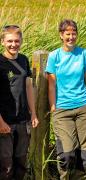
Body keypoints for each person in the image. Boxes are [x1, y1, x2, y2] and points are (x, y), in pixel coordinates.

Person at [45, 19, 86, 180]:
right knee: (67, 153)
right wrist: (53, 107)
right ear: (61, 35)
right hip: (62, 109)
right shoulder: (54, 56)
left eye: (74, 33)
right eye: (68, 34)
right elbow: (51, 85)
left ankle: (80, 177)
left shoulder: (84, 54)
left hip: (83, 107)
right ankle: (65, 177)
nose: (71, 37)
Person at [0, 25, 39, 180]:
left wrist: (33, 113)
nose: (13, 44)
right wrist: (0, 121)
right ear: (2, 41)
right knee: (6, 167)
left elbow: (28, 86)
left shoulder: (23, 59)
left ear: (21, 40)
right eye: (9, 41)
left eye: (17, 41)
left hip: (23, 120)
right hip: (5, 122)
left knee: (21, 163)